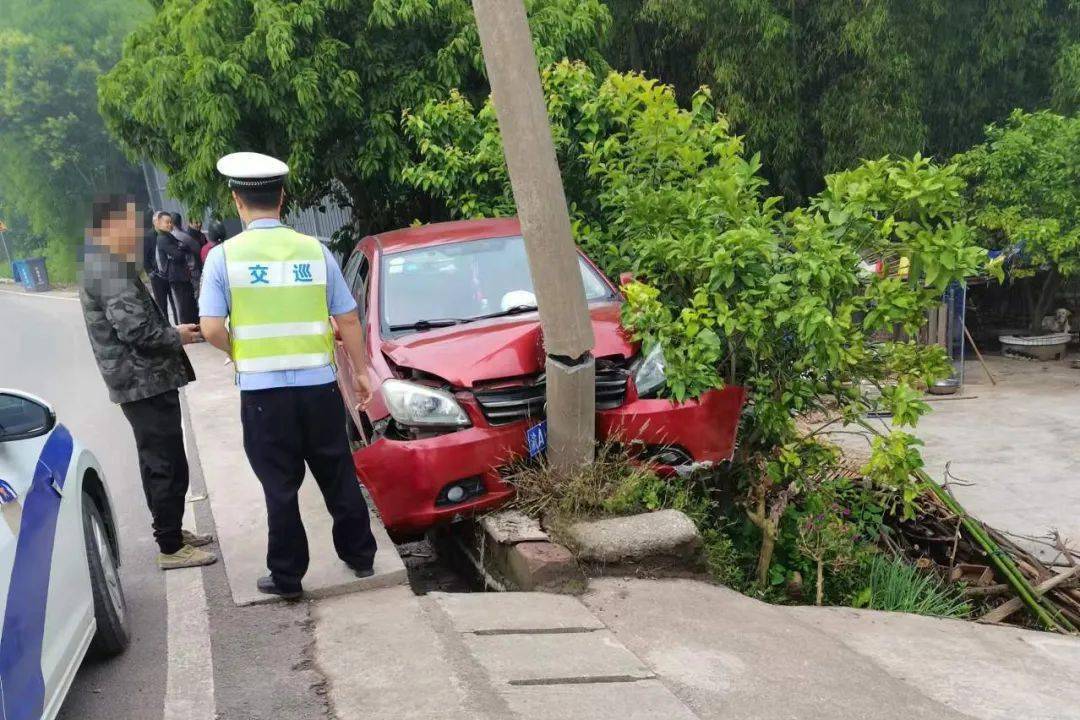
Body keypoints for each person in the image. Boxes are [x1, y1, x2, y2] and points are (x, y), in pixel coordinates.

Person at [200, 152, 377, 600]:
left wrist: (240, 351)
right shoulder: (314, 251)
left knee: (280, 486)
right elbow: (349, 318)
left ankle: (287, 576)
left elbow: (211, 329)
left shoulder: (223, 258)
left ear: (238, 202)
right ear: (281, 199)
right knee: (337, 470)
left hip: (263, 394)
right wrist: (359, 373)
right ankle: (360, 556)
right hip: (318, 388)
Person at [79, 195, 217, 570]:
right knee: (164, 463)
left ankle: (171, 532)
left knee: (164, 459)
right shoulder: (107, 271)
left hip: (146, 381)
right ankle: (170, 546)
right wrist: (178, 336)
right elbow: (136, 330)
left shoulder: (108, 265)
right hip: (143, 382)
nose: (137, 231)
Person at [156, 212, 199, 324]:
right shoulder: (162, 238)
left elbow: (184, 246)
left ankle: (196, 326)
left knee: (190, 302)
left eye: (170, 222)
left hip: (183, 275)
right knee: (184, 305)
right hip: (176, 277)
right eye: (167, 222)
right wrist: (180, 248)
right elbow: (178, 254)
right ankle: (189, 329)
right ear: (159, 224)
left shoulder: (169, 236)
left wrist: (180, 248)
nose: (169, 225)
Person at [147, 211, 175, 322]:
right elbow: (144, 256)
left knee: (174, 301)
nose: (168, 224)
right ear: (156, 222)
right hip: (157, 276)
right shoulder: (149, 236)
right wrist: (150, 271)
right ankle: (166, 327)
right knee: (161, 305)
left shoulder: (168, 234)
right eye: (164, 222)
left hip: (170, 274)